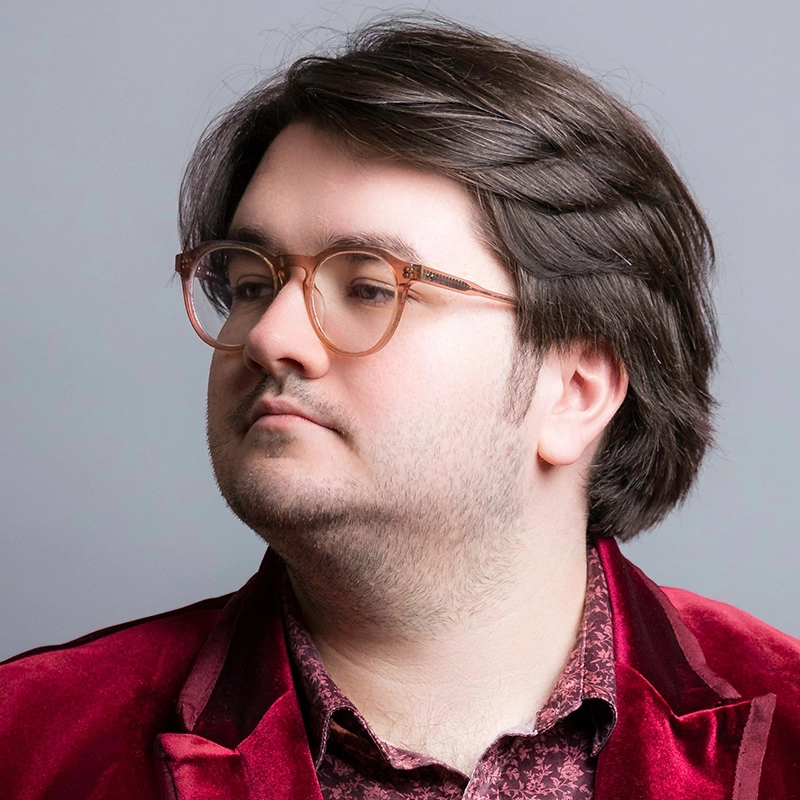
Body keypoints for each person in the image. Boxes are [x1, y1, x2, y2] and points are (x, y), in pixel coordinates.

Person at [2, 18, 798, 800]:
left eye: (370, 287)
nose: (271, 336)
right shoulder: (27, 742)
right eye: (251, 283)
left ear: (576, 391)